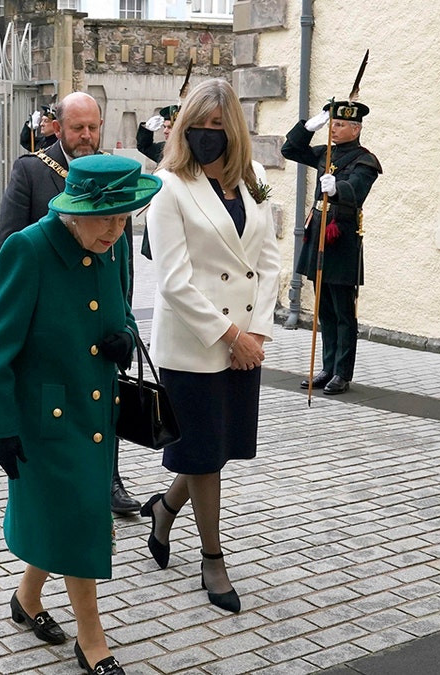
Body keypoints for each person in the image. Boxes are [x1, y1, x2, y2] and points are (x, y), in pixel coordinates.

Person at [0, 154, 160, 675]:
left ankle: (26, 600)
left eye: (125, 217)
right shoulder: (29, 250)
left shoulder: (113, 244)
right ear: (75, 210)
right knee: (82, 517)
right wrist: (3, 426)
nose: (116, 229)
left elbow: (123, 311)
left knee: (62, 514)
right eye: (106, 217)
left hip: (97, 409)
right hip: (46, 418)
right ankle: (92, 640)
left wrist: (122, 339)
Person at [142, 78, 281, 614]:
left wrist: (258, 335)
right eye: (196, 127)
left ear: (235, 132)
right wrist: (231, 337)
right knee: (206, 454)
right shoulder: (169, 185)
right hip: (196, 341)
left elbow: (267, 261)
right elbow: (174, 281)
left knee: (214, 447)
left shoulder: (257, 179)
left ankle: (164, 508)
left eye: (217, 128)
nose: (206, 136)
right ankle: (213, 556)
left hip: (245, 340)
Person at [0, 91, 142, 516]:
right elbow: (9, 244)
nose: (87, 135)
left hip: (99, 322)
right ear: (58, 127)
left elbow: (121, 257)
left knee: (101, 401)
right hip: (53, 323)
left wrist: (126, 326)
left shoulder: (111, 175)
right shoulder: (32, 171)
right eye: (78, 127)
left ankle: (111, 478)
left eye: (93, 127)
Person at [280, 99, 382, 395]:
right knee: (324, 307)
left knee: (342, 310)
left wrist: (338, 188)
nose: (333, 129)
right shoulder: (325, 152)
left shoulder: (365, 160)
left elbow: (358, 190)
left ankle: (342, 372)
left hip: (342, 237)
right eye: (332, 123)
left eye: (339, 125)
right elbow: (290, 150)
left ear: (356, 128)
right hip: (319, 230)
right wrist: (310, 126)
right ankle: (326, 367)